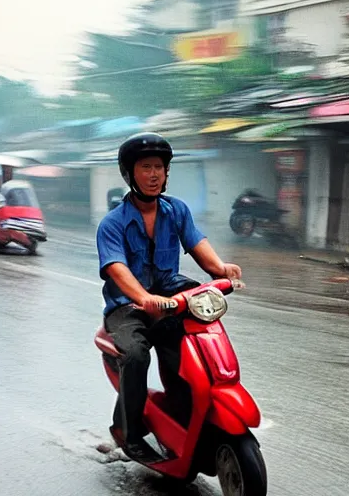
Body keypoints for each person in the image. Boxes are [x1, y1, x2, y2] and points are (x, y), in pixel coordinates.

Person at [96, 132, 242, 463]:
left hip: (170, 295)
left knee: (197, 343)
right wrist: (144, 298)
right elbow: (117, 270)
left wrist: (221, 268)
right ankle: (130, 434)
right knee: (136, 355)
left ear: (166, 172)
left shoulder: (176, 210)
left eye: (159, 167)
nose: (153, 174)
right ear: (129, 173)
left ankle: (184, 416)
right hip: (127, 307)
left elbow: (198, 246)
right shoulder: (112, 223)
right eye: (145, 167)